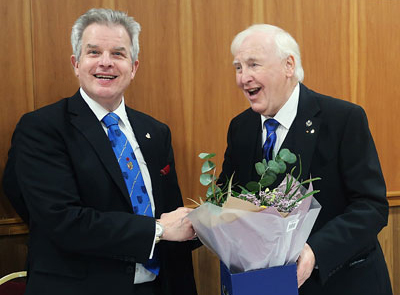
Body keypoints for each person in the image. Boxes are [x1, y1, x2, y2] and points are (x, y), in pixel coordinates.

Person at [2, 8, 198, 295]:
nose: (105, 63)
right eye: (93, 52)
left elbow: (172, 219)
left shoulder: (156, 132)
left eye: (118, 54)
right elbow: (62, 220)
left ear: (134, 67)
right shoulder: (41, 128)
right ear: (76, 63)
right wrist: (157, 230)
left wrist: (211, 225)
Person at [219, 24, 392, 295]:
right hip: (269, 286)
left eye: (253, 65)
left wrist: (315, 251)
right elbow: (228, 198)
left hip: (342, 282)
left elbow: (371, 207)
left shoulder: (343, 119)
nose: (243, 78)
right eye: (238, 68)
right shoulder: (240, 128)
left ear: (289, 65)